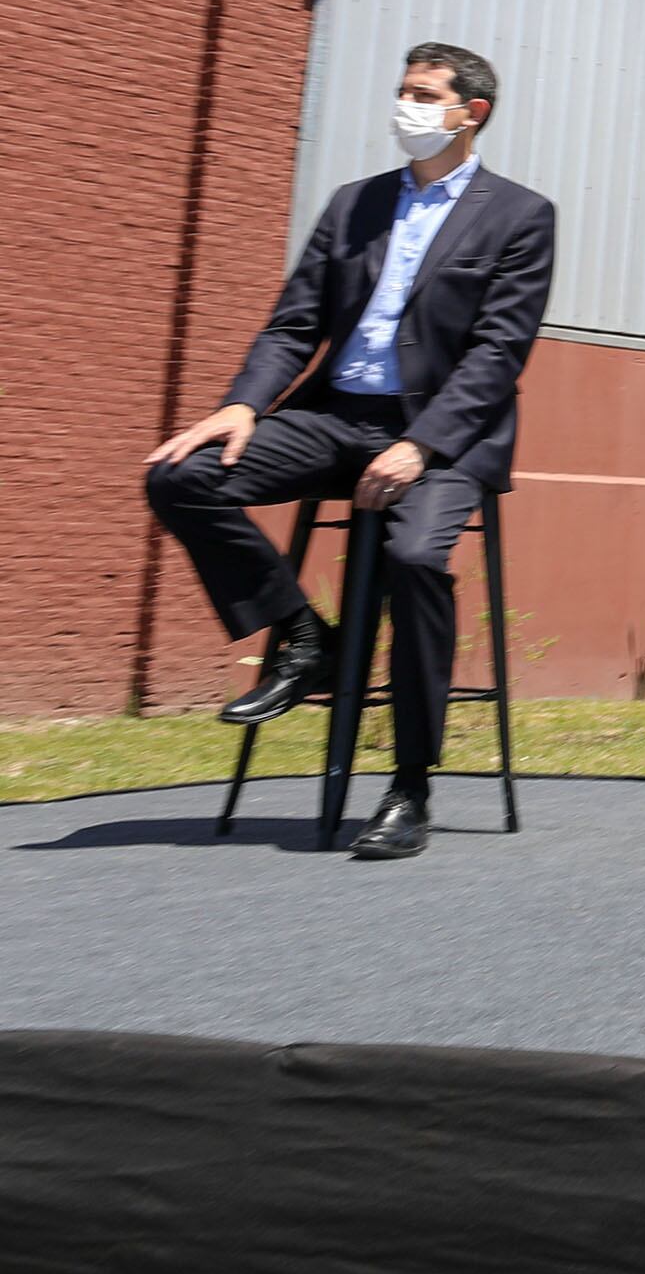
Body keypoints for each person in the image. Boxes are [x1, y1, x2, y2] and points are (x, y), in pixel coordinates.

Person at [141, 42, 557, 860]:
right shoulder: (352, 206)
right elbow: (294, 323)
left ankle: (409, 789)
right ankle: (308, 638)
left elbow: (498, 355)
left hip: (446, 437)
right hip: (338, 417)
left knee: (413, 558)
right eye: (400, 90)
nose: (404, 106)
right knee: (180, 475)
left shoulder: (520, 215)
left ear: (471, 112)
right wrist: (240, 405)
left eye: (422, 94)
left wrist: (420, 446)